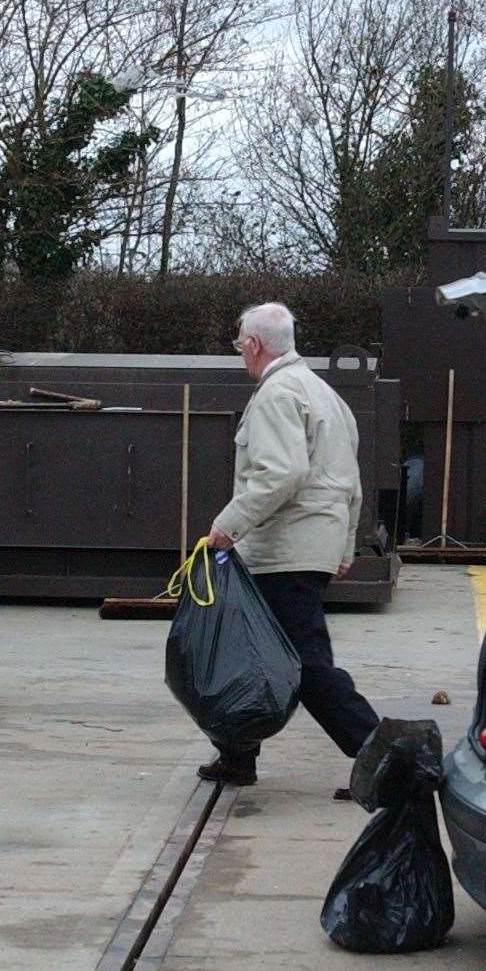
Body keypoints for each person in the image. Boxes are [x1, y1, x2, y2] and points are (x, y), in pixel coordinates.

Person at [199, 302, 379, 799]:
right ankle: (237, 755)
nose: (240, 356)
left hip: (284, 550)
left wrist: (228, 525)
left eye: (240, 347)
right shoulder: (324, 394)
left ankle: (383, 758)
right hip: (310, 545)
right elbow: (350, 481)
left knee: (305, 665)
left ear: (254, 345)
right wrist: (343, 547)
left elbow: (280, 473)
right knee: (252, 656)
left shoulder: (277, 394)